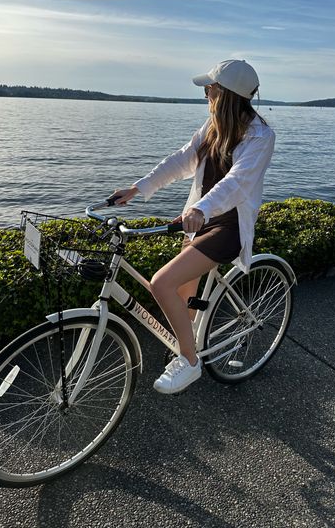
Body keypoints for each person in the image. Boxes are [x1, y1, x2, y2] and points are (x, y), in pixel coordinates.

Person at [112, 59, 275, 395]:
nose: (206, 94)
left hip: (227, 226)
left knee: (162, 283)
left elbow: (238, 182)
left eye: (209, 88)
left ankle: (189, 362)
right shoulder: (213, 126)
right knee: (184, 300)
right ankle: (190, 342)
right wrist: (138, 188)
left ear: (225, 93)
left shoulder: (261, 136)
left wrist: (201, 209)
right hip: (201, 219)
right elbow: (181, 159)